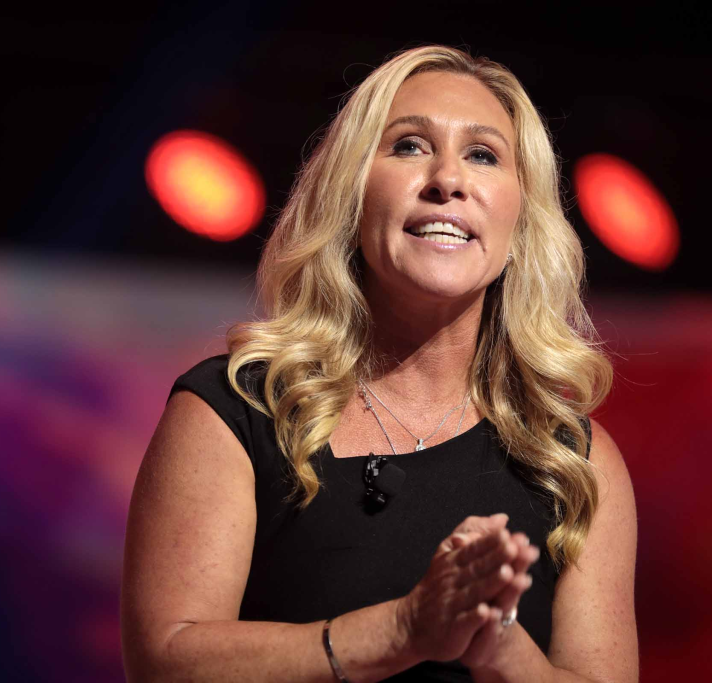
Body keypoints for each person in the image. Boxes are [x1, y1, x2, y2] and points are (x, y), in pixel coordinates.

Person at [121, 44, 638, 682]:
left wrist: (501, 650)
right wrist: (402, 631)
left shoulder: (573, 464)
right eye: (409, 146)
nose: (448, 180)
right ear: (352, 196)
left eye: (483, 155)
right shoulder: (236, 412)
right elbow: (165, 662)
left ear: (520, 224)